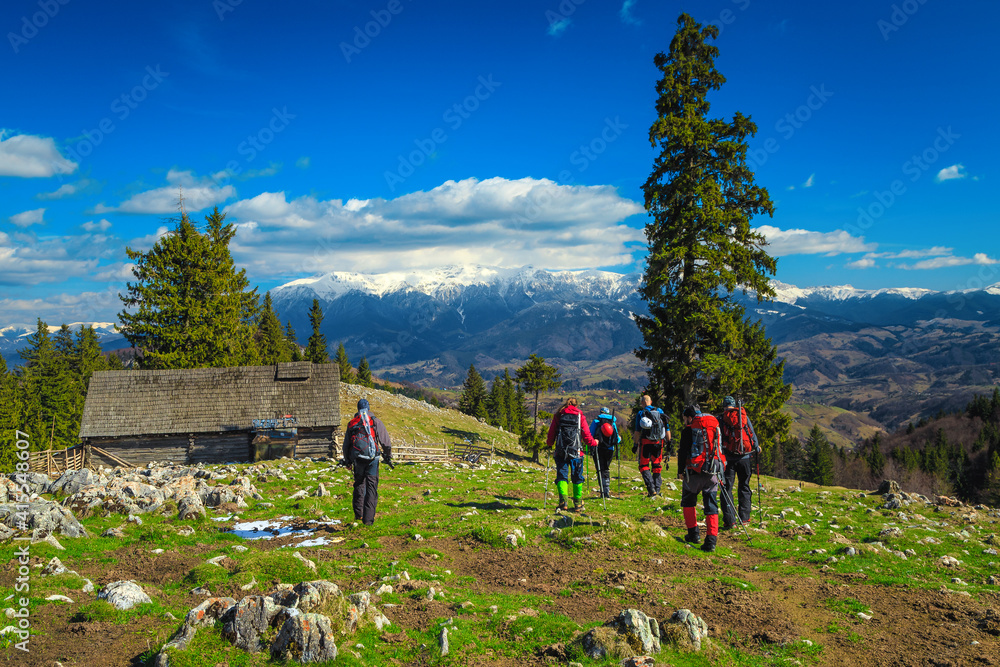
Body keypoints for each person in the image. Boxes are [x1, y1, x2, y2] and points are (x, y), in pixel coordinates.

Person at [676, 404, 725, 552]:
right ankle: (711, 541)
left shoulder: (688, 431)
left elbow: (682, 451)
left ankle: (693, 534)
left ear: (690, 417)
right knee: (711, 505)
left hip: (694, 472)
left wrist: (680, 471)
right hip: (712, 471)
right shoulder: (712, 428)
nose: (685, 421)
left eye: (685, 418)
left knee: (688, 502)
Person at [342, 398, 392, 526]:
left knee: (359, 484)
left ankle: (359, 514)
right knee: (371, 488)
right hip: (372, 459)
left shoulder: (352, 423)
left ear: (358, 409)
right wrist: (388, 455)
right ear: (369, 408)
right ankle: (368, 520)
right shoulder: (375, 421)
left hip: (358, 459)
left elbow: (346, 445)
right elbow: (385, 441)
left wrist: (348, 461)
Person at [546, 397, 598, 512]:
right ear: (576, 405)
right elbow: (586, 436)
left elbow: (552, 432)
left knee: (562, 476)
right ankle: (578, 503)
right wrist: (594, 443)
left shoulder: (559, 415)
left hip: (561, 451)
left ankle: (563, 502)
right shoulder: (580, 417)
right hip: (577, 452)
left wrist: (549, 443)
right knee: (577, 477)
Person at [719, 396, 760, 530]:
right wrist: (757, 447)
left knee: (727, 488)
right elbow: (752, 433)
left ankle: (730, 521)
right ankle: (745, 518)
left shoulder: (721, 419)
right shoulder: (743, 416)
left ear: (724, 406)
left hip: (729, 459)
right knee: (744, 487)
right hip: (745, 458)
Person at [631, 395, 671, 497]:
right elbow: (667, 428)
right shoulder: (660, 412)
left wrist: (635, 444)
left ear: (642, 403)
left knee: (643, 466)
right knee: (656, 465)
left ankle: (651, 488)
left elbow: (637, 431)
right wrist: (669, 442)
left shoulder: (641, 413)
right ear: (651, 401)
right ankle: (657, 489)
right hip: (658, 443)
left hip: (646, 442)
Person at [589, 407, 620, 499]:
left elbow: (590, 435)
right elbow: (616, 438)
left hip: (598, 448)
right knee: (606, 469)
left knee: (600, 469)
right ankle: (606, 491)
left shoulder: (596, 422)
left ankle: (603, 491)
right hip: (610, 449)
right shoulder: (612, 423)